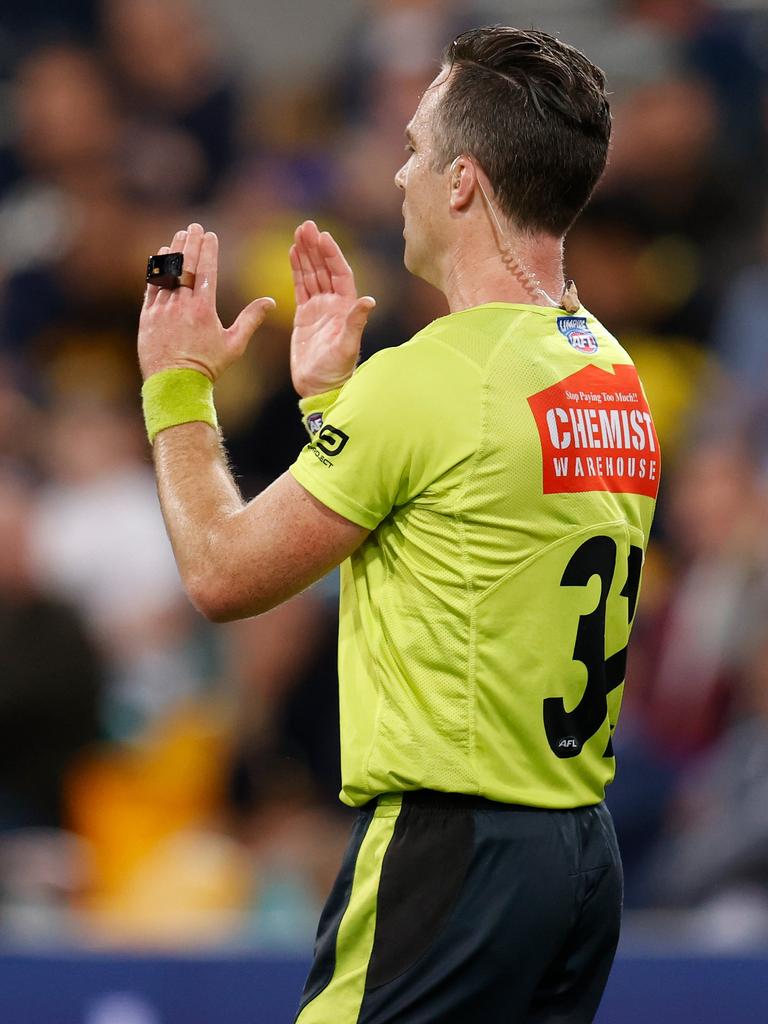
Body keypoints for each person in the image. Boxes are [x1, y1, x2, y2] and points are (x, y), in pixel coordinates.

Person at [137, 26, 660, 1024]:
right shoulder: (608, 366)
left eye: (416, 148)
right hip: (576, 853)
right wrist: (333, 407)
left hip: (451, 851)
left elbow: (220, 572)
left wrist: (177, 383)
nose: (399, 171)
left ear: (463, 182)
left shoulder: (432, 378)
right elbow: (463, 530)